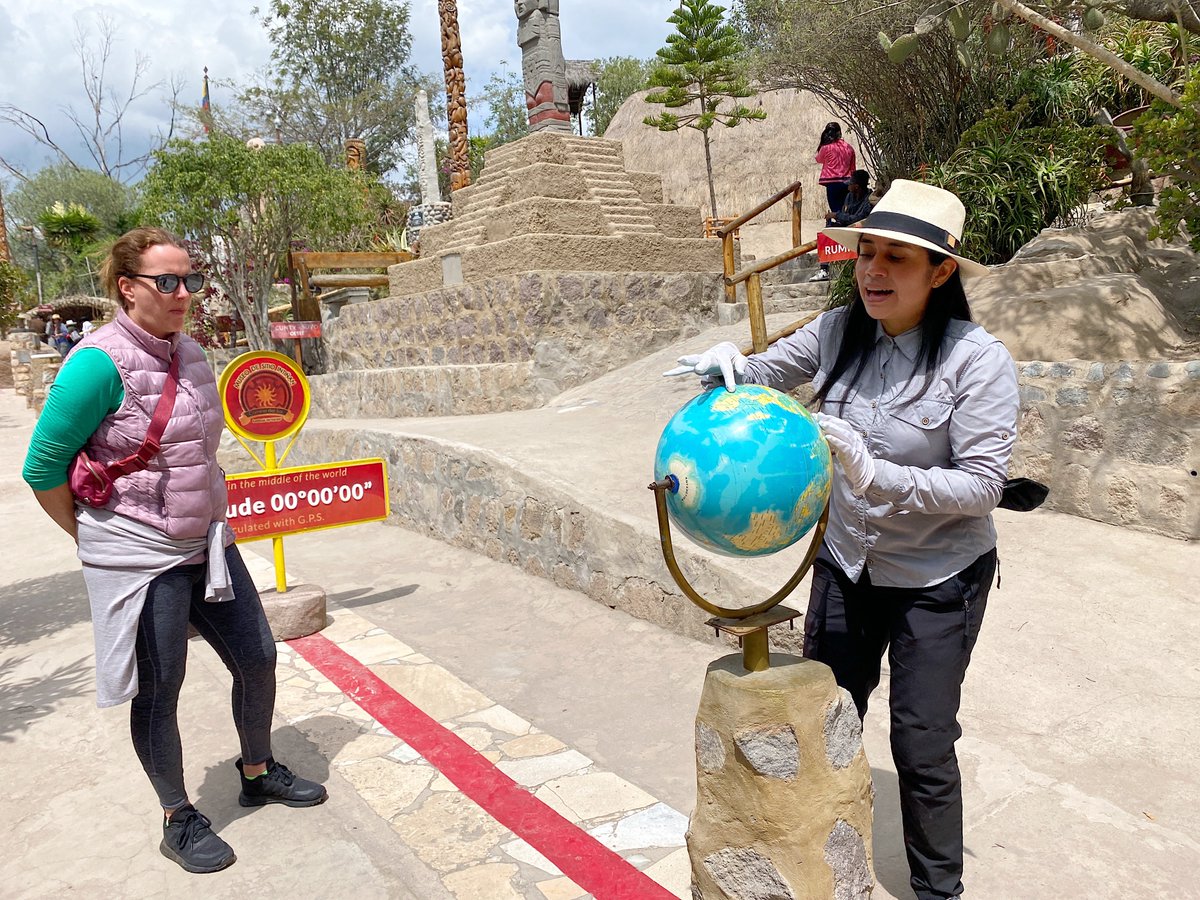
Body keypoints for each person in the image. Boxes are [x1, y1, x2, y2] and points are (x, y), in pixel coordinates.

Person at [665, 180, 1018, 900]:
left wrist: (873, 471)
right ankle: (829, 868)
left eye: (897, 259)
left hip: (937, 578)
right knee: (829, 714)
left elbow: (983, 486)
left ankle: (937, 890)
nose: (873, 272)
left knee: (920, 743)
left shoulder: (978, 361)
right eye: (866, 255)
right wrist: (727, 363)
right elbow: (761, 373)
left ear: (941, 273)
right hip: (846, 565)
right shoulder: (835, 333)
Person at [22, 227, 327, 875]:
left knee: (258, 656)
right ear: (128, 289)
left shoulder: (190, 353)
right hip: (139, 552)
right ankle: (178, 816)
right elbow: (43, 466)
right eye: (167, 281)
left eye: (190, 279)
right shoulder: (96, 364)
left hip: (206, 540)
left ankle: (257, 768)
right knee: (160, 690)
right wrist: (93, 539)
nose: (183, 292)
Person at [812, 122, 857, 283]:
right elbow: (853, 166)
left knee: (835, 211)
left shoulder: (826, 148)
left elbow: (818, 159)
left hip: (832, 183)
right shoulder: (849, 148)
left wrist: (824, 143)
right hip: (846, 182)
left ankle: (837, 243)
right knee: (844, 211)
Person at [812, 168, 874, 282]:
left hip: (860, 230)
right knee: (827, 231)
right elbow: (845, 215)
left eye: (850, 184)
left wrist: (837, 215)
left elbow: (858, 218)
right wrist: (835, 219)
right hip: (848, 227)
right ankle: (824, 270)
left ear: (857, 186)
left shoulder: (869, 199)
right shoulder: (849, 196)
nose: (847, 186)